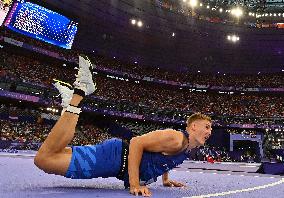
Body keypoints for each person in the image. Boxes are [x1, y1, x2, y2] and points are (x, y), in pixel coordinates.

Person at [34, 55, 212, 197]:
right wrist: (134, 184)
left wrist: (166, 179)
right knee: (44, 160)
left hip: (115, 159)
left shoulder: (186, 147)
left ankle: (69, 104)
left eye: (211, 128)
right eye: (207, 126)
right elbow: (136, 142)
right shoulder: (176, 138)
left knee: (52, 154)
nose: (209, 131)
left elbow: (166, 159)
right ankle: (79, 93)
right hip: (114, 159)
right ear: (193, 126)